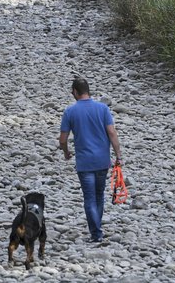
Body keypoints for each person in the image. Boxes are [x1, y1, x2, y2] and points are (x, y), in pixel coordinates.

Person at [59, 77, 123, 243]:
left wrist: (66, 153)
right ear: (88, 90)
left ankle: (96, 233)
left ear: (75, 92)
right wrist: (118, 155)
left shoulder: (70, 112)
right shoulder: (102, 109)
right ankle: (97, 230)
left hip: (84, 162)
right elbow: (112, 133)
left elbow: (63, 139)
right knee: (99, 196)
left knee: (89, 198)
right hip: (102, 161)